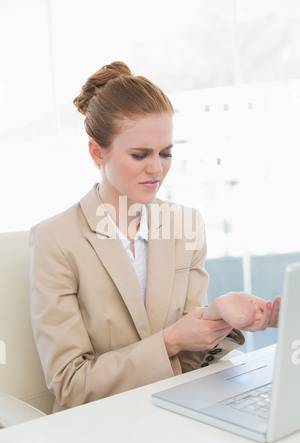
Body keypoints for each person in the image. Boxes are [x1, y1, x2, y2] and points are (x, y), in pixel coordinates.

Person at [29, 61, 280, 412]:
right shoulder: (56, 240)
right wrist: (170, 342)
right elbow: (71, 385)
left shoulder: (186, 225)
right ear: (96, 152)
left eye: (166, 153)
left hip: (176, 412)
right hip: (100, 425)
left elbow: (190, 367)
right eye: (139, 154)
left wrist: (217, 316)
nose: (157, 168)